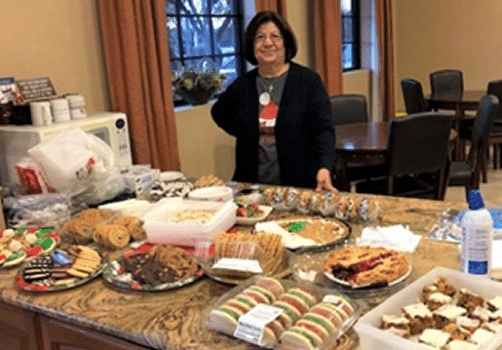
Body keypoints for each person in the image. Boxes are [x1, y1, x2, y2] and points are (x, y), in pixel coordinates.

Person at [211, 11, 337, 192]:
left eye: (275, 37)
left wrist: (324, 168)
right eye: (260, 37)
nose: (268, 43)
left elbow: (324, 131)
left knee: (296, 223)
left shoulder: (308, 81)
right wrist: (247, 131)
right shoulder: (243, 85)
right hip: (252, 189)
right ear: (252, 45)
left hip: (299, 188)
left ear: (285, 42)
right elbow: (218, 112)